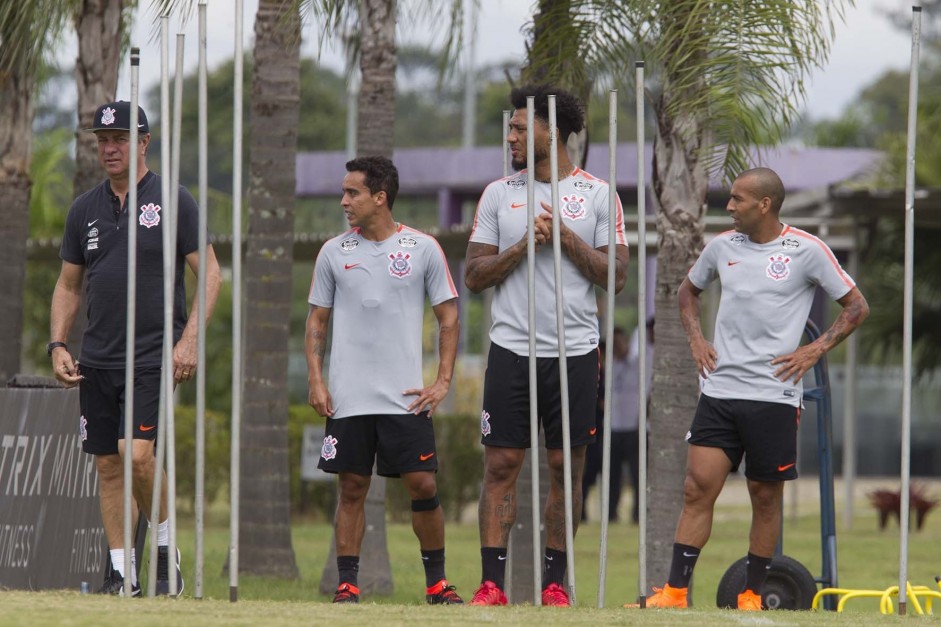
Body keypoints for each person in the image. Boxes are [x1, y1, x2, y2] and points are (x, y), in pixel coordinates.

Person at [642, 167, 869, 610]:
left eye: (737, 199)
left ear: (764, 204)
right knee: (695, 487)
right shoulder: (720, 247)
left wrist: (814, 350)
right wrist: (695, 340)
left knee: (764, 497)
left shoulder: (807, 250)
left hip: (774, 395)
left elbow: (857, 306)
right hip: (721, 390)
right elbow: (688, 293)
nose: (728, 206)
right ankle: (673, 592)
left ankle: (751, 594)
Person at [464, 84, 630, 607]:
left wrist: (566, 237)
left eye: (518, 128)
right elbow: (473, 274)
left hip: (575, 350)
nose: (509, 136)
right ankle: (492, 584)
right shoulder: (498, 194)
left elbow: (616, 276)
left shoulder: (599, 194)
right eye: (510, 127)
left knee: (566, 465)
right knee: (501, 464)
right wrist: (523, 246)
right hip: (511, 348)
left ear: (550, 131)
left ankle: (555, 584)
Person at [50, 100, 222, 596]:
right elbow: (67, 285)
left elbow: (210, 275)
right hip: (97, 357)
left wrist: (188, 342)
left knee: (137, 454)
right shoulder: (84, 208)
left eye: (120, 139)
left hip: (153, 355)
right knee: (108, 464)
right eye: (103, 140)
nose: (110, 148)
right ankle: (123, 575)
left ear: (144, 143)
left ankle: (166, 552)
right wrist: (58, 343)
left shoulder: (174, 199)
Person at [306, 155, 463, 605]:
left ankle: (437, 585)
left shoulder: (424, 248)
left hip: (405, 397)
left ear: (380, 197)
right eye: (343, 192)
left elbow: (448, 318)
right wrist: (316, 380)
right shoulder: (334, 252)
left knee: (423, 485)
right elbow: (316, 322)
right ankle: (348, 585)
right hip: (349, 396)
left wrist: (442, 382)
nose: (343, 201)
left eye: (352, 192)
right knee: (352, 487)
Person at [582, 322, 653, 524]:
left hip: (634, 428)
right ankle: (611, 513)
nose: (618, 347)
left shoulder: (639, 364)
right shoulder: (607, 368)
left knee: (639, 475)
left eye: (621, 342)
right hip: (613, 428)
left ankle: (638, 515)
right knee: (611, 476)